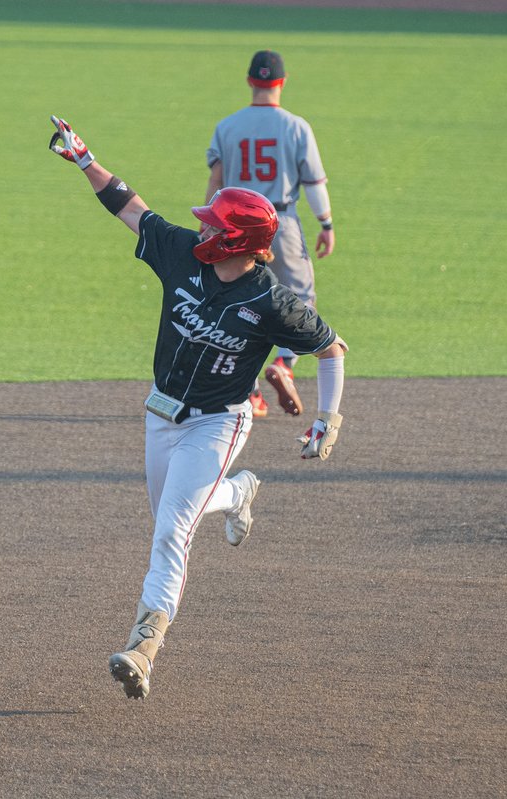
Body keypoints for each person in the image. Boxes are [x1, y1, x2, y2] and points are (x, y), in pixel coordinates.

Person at [48, 114, 348, 700]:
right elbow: (129, 207)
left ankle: (144, 646)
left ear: (235, 240)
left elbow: (332, 348)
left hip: (218, 423)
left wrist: (328, 417)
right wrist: (85, 159)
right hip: (160, 416)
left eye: (214, 223)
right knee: (171, 518)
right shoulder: (183, 253)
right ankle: (239, 492)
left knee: (170, 532)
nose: (202, 225)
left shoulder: (271, 301)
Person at [205, 50, 335, 419]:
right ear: (282, 81)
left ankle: (250, 392)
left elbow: (216, 179)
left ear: (250, 80)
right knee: (299, 296)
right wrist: (326, 224)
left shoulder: (227, 126)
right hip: (280, 220)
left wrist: (209, 225)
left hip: (232, 224)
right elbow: (314, 183)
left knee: (237, 301)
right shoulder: (296, 126)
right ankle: (285, 362)